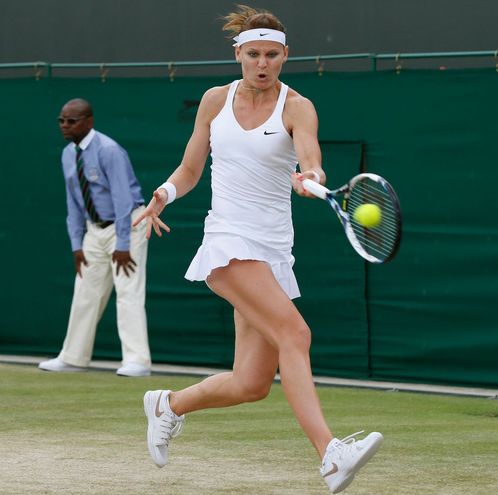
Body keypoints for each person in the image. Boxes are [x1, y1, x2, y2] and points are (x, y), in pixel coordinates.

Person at [133, 5, 383, 493]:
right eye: (253, 54)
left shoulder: (298, 107)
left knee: (250, 383)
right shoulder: (213, 101)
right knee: (297, 335)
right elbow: (189, 169)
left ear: (285, 56)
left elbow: (311, 160)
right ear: (239, 55)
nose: (262, 63)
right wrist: (162, 194)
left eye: (272, 54)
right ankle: (331, 455)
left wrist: (310, 179)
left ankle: (168, 405)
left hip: (273, 252)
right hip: (227, 241)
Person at [38, 98, 152, 378]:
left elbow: (123, 199)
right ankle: (73, 357)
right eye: (61, 121)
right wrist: (77, 244)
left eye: (71, 121)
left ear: (88, 122)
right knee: (85, 291)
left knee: (128, 292)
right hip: (94, 231)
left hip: (127, 226)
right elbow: (73, 202)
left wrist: (123, 244)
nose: (65, 125)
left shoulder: (110, 151)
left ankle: (138, 361)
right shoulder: (68, 154)